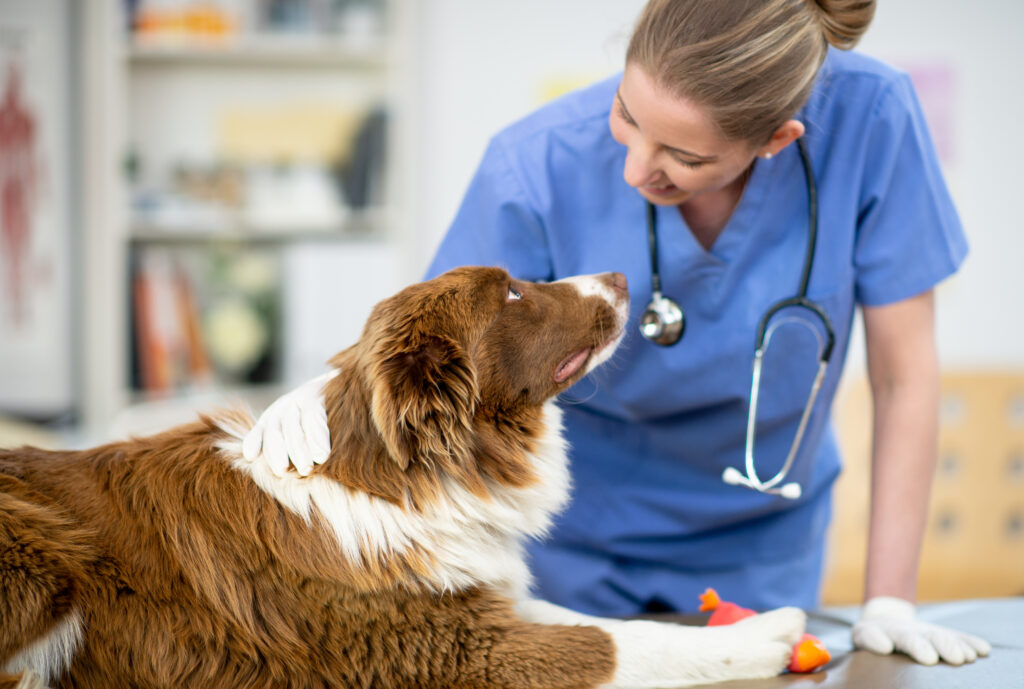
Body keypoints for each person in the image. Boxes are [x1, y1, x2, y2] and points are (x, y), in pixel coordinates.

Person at [244, 0, 991, 667]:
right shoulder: (535, 164)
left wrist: (889, 597)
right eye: (627, 115)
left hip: (762, 541)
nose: (637, 167)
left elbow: (904, 377)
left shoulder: (874, 121)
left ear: (776, 139)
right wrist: (327, 395)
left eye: (684, 157)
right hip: (573, 542)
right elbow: (439, 345)